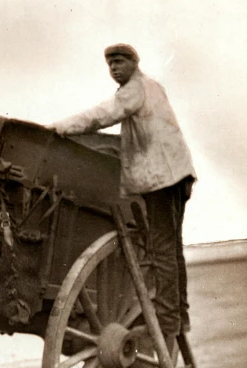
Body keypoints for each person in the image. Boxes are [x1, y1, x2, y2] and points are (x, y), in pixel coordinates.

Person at [47, 43, 197, 347]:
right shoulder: (150, 88)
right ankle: (179, 316)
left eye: (119, 62)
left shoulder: (134, 88)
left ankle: (168, 321)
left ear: (133, 63)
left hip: (162, 179)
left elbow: (104, 115)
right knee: (171, 249)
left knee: (162, 249)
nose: (114, 69)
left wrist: (60, 128)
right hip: (175, 175)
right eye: (110, 64)